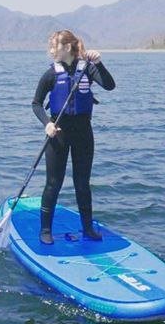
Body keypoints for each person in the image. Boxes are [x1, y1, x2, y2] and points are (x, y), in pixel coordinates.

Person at [31, 30, 116, 245]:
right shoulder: (51, 74)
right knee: (53, 183)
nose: (51, 51)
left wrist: (99, 63)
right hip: (58, 134)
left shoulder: (87, 69)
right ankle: (45, 230)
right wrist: (47, 124)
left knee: (82, 183)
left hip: (83, 134)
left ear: (67, 47)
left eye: (54, 46)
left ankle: (88, 228)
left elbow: (109, 85)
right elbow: (36, 104)